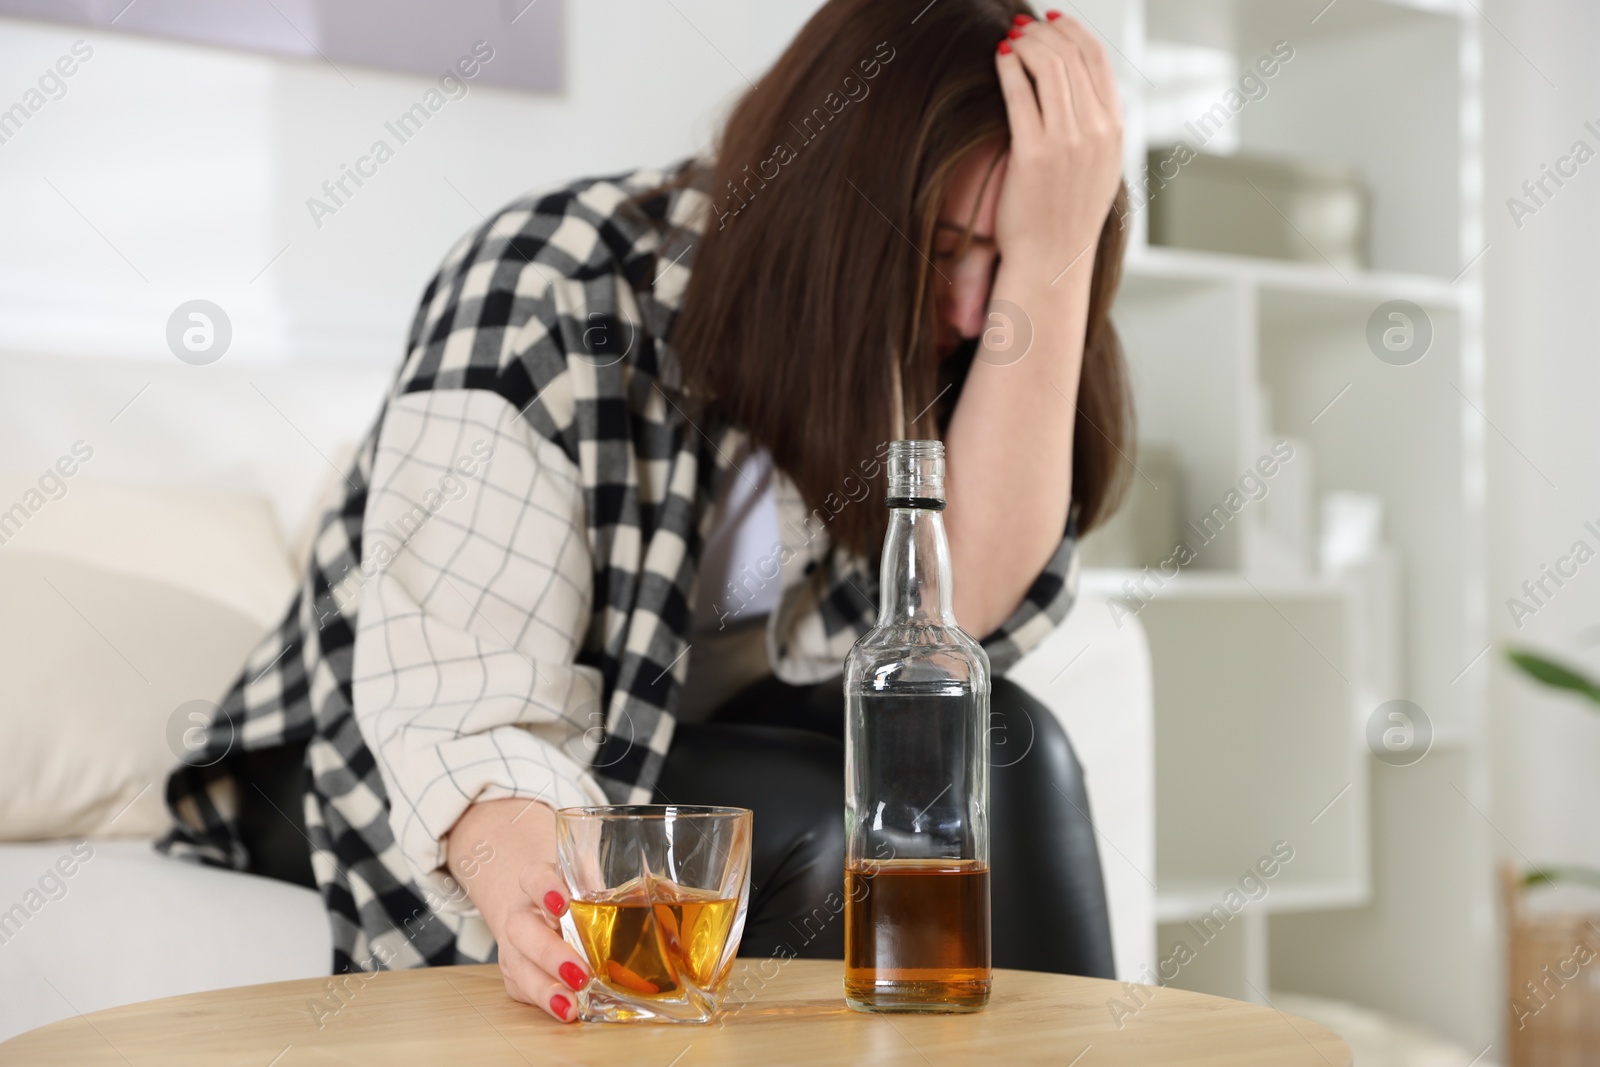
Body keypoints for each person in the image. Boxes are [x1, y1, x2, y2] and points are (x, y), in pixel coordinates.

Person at [159, 0, 1133, 1025]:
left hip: (653, 728)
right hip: (375, 749)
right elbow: (458, 706)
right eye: (944, 251)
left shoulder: (931, 349)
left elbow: (949, 622)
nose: (980, 313)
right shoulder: (552, 284)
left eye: (1009, 258)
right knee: (816, 832)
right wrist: (530, 895)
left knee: (1001, 740)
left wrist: (1056, 255)